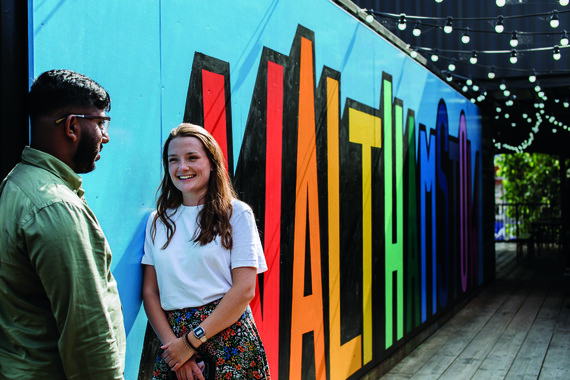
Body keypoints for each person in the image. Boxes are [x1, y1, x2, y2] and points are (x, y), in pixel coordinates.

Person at [0, 69, 126, 379]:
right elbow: (87, 333)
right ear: (72, 126)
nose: (105, 136)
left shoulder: (15, 184)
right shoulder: (55, 205)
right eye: (100, 123)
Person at [142, 124, 271, 380]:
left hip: (228, 338)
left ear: (212, 163)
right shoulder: (157, 221)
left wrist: (191, 342)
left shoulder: (237, 214)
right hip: (175, 344)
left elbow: (245, 289)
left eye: (192, 158)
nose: (182, 168)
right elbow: (150, 292)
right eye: (173, 160)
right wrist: (176, 351)